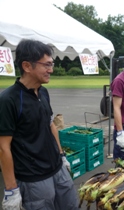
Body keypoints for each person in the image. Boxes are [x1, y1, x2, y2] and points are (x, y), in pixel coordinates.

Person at [0, 39, 79, 210]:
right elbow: (3, 147)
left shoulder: (43, 92)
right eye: (47, 65)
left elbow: (50, 124)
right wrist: (11, 189)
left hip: (57, 169)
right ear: (27, 66)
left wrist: (61, 154)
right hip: (33, 178)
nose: (51, 69)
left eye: (52, 63)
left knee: (72, 206)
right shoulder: (9, 100)